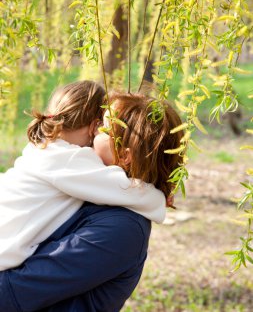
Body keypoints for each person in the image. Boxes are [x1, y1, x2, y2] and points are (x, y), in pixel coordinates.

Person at [0, 91, 183, 312]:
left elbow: (12, 293)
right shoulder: (88, 189)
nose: (92, 132)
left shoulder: (122, 227)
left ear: (125, 156)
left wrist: (156, 197)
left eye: (103, 129)